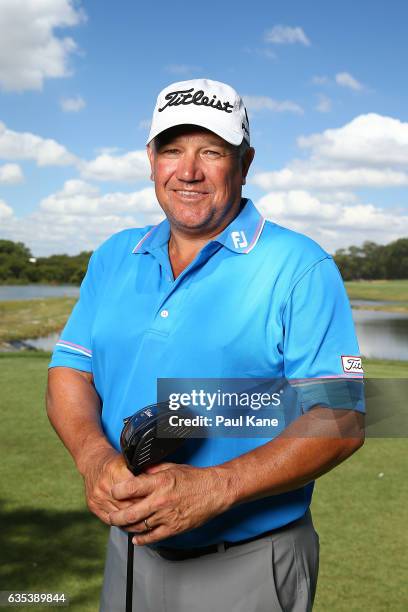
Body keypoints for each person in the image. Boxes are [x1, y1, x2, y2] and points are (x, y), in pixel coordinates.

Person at [46, 78, 365, 612]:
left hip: (248, 561)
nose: (187, 171)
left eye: (210, 151)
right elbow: (70, 372)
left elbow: (345, 417)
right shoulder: (114, 255)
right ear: (151, 159)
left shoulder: (301, 265)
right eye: (171, 150)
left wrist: (216, 487)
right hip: (130, 553)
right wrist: (94, 458)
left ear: (245, 161)